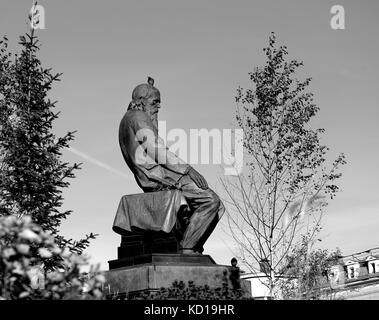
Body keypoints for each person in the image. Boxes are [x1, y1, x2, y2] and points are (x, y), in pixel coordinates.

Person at [119, 77, 224, 254]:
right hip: (161, 176)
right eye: (155, 101)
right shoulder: (137, 117)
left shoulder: (130, 118)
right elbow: (156, 150)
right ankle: (187, 247)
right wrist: (188, 169)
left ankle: (192, 245)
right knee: (211, 200)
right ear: (141, 101)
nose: (158, 106)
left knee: (218, 206)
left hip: (160, 175)